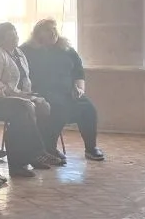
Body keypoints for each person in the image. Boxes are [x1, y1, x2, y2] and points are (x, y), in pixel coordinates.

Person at [0, 24, 59, 177]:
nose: (15, 37)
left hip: (19, 96)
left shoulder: (19, 53)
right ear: (1, 39)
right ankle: (23, 160)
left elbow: (25, 79)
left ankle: (35, 154)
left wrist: (31, 96)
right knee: (22, 111)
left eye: (15, 33)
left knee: (44, 105)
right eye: (10, 35)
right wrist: (21, 96)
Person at [22, 19, 104, 161]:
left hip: (68, 92)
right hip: (42, 92)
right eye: (48, 30)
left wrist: (79, 89)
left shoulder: (67, 50)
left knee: (88, 109)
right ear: (38, 33)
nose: (53, 33)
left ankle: (91, 148)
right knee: (59, 107)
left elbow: (78, 73)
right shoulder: (27, 51)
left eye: (54, 29)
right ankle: (49, 148)